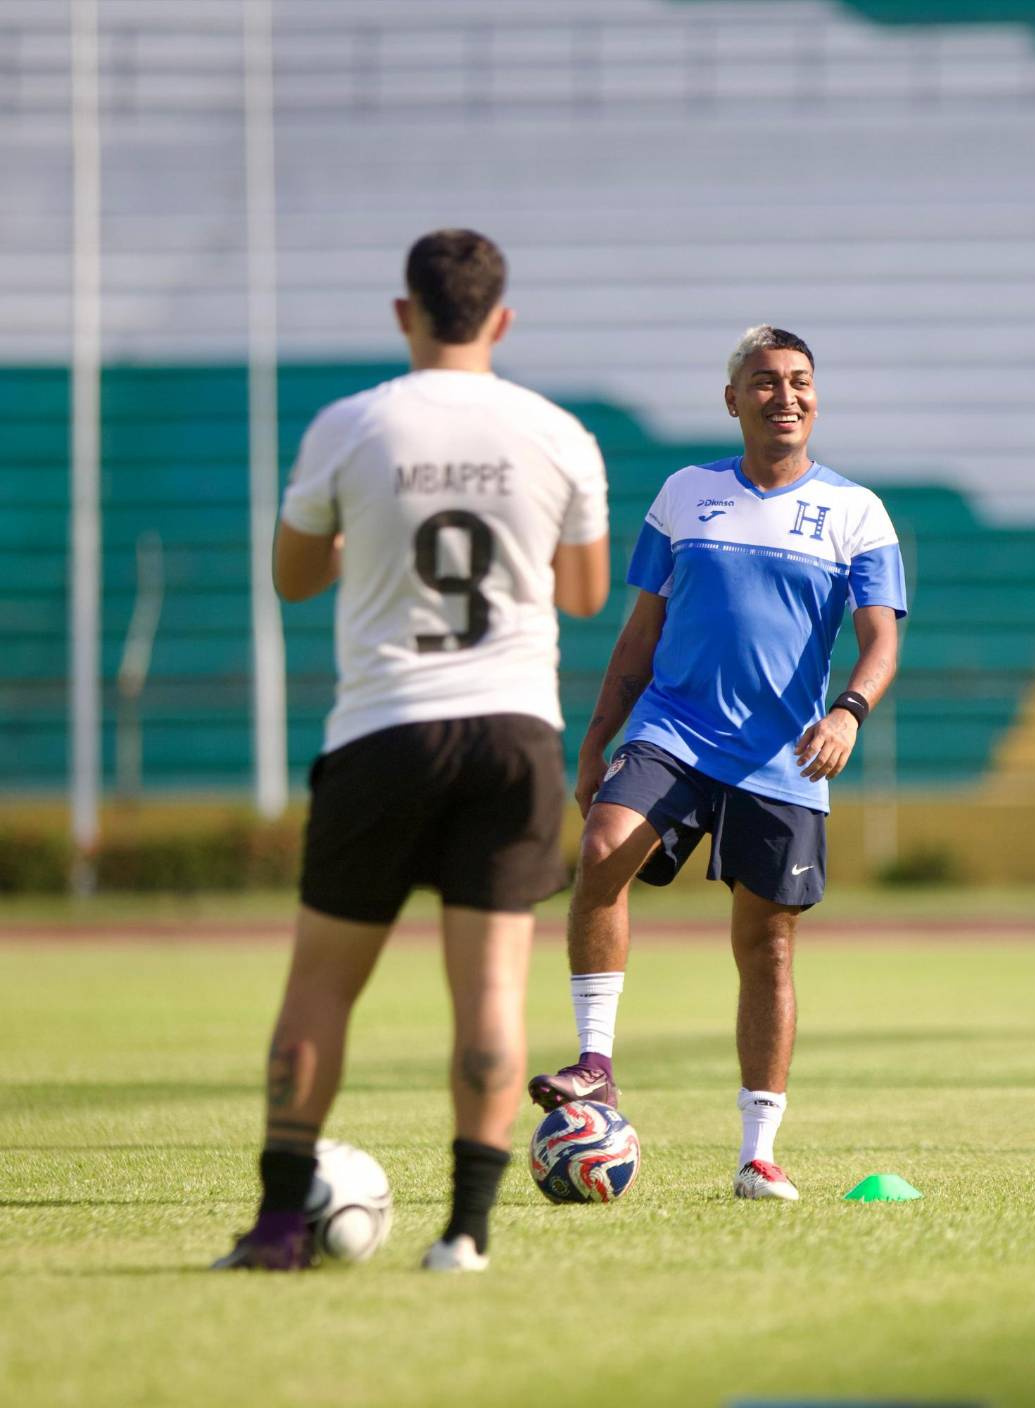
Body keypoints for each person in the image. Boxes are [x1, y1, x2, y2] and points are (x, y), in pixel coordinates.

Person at [213, 229, 609, 1272]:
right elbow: (583, 593)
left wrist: (363, 542)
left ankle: (277, 1225)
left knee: (321, 987)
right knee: (488, 994)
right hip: (516, 731)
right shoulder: (560, 433)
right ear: (503, 318)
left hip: (386, 728)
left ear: (405, 313)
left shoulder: (352, 427)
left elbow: (294, 578)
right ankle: (467, 1235)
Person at [529, 325, 906, 1200]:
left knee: (766, 949)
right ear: (732, 399)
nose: (786, 396)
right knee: (598, 854)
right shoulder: (684, 495)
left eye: (800, 381)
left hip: (783, 756)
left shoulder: (857, 511)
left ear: (816, 396)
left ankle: (758, 1152)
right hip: (674, 732)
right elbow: (640, 632)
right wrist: (595, 737)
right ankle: (595, 1065)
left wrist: (848, 712)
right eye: (766, 382)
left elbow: (881, 640)